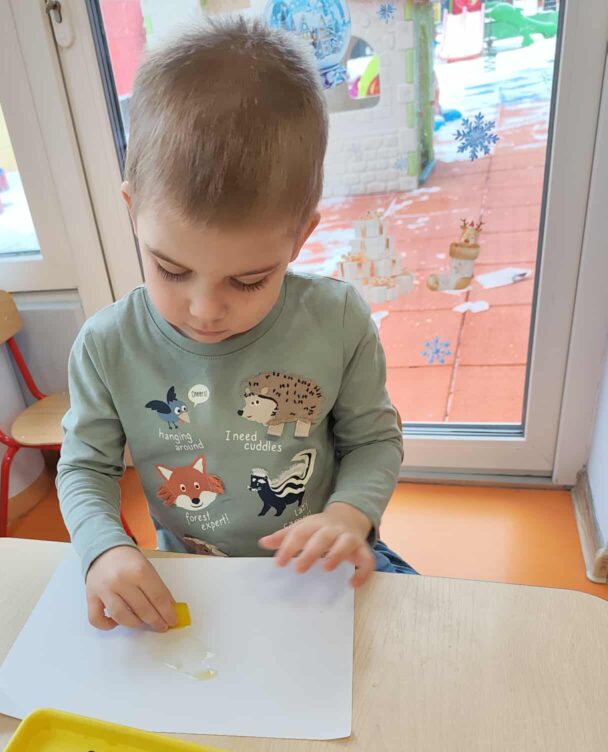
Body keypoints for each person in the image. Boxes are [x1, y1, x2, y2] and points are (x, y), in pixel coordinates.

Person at [57, 16, 415, 635]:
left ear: (300, 235)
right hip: (194, 577)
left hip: (320, 568)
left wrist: (350, 514)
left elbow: (374, 441)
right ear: (133, 211)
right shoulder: (107, 346)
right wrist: (104, 548)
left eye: (248, 280)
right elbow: (84, 466)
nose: (204, 309)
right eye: (171, 269)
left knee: (420, 644)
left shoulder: (337, 321)